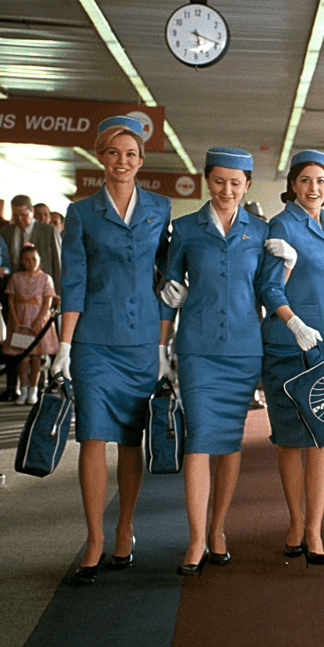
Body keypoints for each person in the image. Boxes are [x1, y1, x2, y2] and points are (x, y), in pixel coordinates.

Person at [52, 115, 171, 584]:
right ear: (100, 157)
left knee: (130, 438)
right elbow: (74, 280)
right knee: (92, 438)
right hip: (93, 342)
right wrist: (64, 344)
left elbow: (168, 272)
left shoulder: (160, 208)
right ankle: (95, 537)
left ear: (141, 161)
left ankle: (125, 528)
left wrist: (167, 330)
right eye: (114, 153)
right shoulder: (80, 213)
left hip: (142, 338)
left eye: (131, 154)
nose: (122, 161)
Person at [160, 147, 286, 576]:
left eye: (236, 183)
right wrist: (163, 344)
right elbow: (170, 286)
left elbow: (269, 291)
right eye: (219, 181)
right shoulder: (185, 229)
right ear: (206, 181)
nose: (227, 190)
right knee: (199, 439)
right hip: (196, 347)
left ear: (248, 185)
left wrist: (289, 264)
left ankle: (218, 529)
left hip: (244, 349)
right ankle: (196, 540)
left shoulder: (262, 230)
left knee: (229, 443)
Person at [262, 149, 324, 567]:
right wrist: (294, 324)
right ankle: (295, 521)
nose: (314, 188)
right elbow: (270, 289)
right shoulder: (282, 223)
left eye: (321, 181)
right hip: (289, 344)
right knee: (290, 439)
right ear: (293, 185)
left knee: (321, 438)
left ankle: (315, 530)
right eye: (306, 180)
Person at [1, 195, 62, 401]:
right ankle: (12, 387)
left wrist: (58, 295)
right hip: (14, 295)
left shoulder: (48, 231)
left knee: (39, 346)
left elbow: (57, 263)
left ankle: (43, 385)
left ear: (31, 212)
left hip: (41, 298)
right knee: (15, 341)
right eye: (14, 215)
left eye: (22, 215)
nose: (17, 219)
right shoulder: (6, 231)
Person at [2, 244, 58, 404]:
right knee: (22, 358)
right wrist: (14, 318)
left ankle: (34, 390)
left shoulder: (45, 278)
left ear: (39, 260)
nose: (31, 262)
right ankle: (23, 390)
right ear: (22, 261)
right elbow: (11, 299)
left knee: (36, 358)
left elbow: (47, 301)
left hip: (38, 323)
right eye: (27, 260)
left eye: (34, 259)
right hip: (21, 323)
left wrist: (39, 321)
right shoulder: (16, 277)